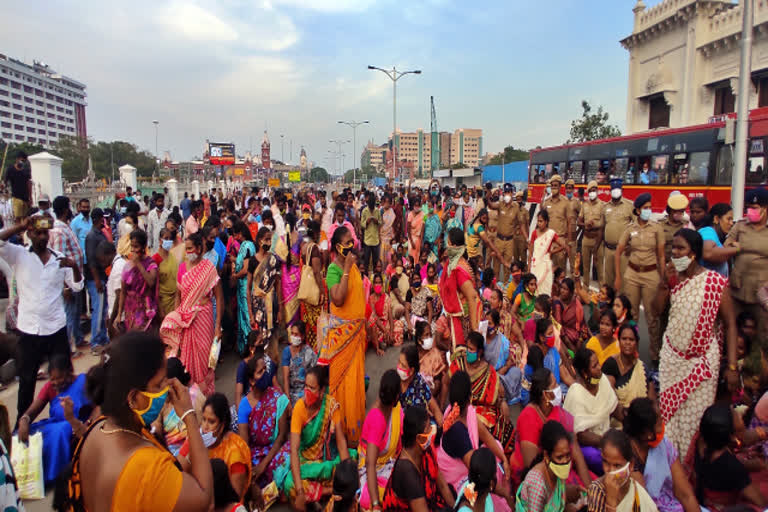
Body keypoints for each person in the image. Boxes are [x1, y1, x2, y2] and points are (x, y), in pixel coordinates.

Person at [67, 332, 213, 512]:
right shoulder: (146, 467)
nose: (167, 389)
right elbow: (204, 497)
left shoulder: (98, 428)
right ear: (134, 399)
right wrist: (189, 416)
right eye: (159, 384)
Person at [656, 228, 738, 461]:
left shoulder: (714, 283)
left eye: (681, 248)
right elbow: (655, 310)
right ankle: (671, 471)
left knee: (694, 423)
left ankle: (691, 473)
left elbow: (731, 324)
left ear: (694, 253)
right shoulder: (672, 279)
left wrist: (731, 367)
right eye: (674, 248)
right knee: (669, 421)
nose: (676, 253)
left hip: (702, 365)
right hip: (673, 360)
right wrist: (663, 284)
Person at [0, 216, 82, 424]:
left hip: (56, 327)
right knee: (27, 380)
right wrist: (19, 225)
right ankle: (23, 424)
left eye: (45, 233)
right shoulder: (18, 255)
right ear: (29, 234)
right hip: (29, 330)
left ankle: (67, 418)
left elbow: (77, 286)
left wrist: (73, 267)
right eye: (38, 233)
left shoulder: (59, 258)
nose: (43, 237)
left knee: (64, 376)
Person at [279, 366, 354, 510]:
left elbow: (341, 443)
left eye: (312, 388)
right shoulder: (299, 409)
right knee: (290, 484)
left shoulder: (331, 405)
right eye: (305, 386)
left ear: (321, 391)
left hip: (325, 461)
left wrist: (347, 476)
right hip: (305, 464)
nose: (307, 391)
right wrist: (300, 491)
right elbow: (294, 451)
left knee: (352, 458)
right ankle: (329, 491)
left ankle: (316, 495)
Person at [437, 371, 514, 511]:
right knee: (489, 468)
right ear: (469, 397)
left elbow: (485, 434)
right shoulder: (457, 430)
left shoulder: (462, 410)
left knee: (496, 447)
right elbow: (478, 469)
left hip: (468, 462)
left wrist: (504, 459)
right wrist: (504, 493)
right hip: (457, 477)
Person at [319, 226, 366, 446]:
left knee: (355, 381)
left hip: (356, 335)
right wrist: (347, 268)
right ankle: (339, 432)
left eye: (352, 241)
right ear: (337, 248)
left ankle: (354, 429)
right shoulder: (333, 270)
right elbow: (338, 299)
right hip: (341, 338)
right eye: (347, 243)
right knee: (342, 383)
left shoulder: (354, 265)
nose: (351, 245)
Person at [160, 231, 223, 395]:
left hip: (204, 318)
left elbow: (219, 297)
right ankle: (191, 396)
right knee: (185, 359)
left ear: (199, 249)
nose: (188, 252)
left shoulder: (208, 268)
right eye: (186, 249)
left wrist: (217, 326)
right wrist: (175, 318)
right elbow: (178, 297)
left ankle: (205, 394)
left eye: (191, 249)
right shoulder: (182, 269)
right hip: (185, 320)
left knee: (204, 358)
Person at [17, 355, 96, 485]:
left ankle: (56, 474)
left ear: (69, 372)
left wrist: (87, 425)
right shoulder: (50, 387)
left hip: (77, 427)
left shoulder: (83, 382)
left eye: (58, 378)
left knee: (63, 429)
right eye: (52, 379)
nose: (55, 382)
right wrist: (24, 420)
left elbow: (97, 407)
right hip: (56, 425)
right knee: (25, 434)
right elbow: (32, 411)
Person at [510, 368, 591, 487]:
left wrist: (589, 488)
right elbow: (531, 467)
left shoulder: (558, 412)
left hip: (561, 465)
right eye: (555, 385)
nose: (559, 387)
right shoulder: (528, 418)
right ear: (545, 394)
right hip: (540, 477)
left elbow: (575, 449)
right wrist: (563, 493)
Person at [614, 193, 665, 366]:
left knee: (652, 316)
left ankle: (655, 354)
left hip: (651, 274)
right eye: (645, 208)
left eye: (650, 208)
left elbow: (661, 255)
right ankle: (631, 351)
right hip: (632, 274)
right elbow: (619, 251)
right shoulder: (630, 229)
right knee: (632, 314)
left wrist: (663, 278)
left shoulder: (656, 228)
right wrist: (619, 277)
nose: (648, 211)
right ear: (637, 209)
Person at [623, 398, 699, 512]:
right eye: (659, 423)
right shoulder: (627, 456)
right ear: (647, 434)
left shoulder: (664, 445)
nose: (662, 426)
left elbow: (685, 494)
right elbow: (644, 505)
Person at [693, 404, 767, 511]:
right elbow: (760, 502)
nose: (739, 415)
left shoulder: (701, 443)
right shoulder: (731, 466)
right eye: (735, 415)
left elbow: (744, 438)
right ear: (731, 436)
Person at [179, 393, 251, 500]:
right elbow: (178, 471)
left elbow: (235, 497)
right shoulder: (194, 439)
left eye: (211, 422)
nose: (205, 427)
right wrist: (194, 449)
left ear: (222, 426)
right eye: (204, 420)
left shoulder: (234, 452)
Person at [382, 406, 455, 511]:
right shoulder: (406, 470)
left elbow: (442, 485)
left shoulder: (426, 449)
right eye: (428, 427)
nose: (432, 429)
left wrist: (456, 509)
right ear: (419, 438)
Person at [564, 347, 618, 475]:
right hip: (587, 446)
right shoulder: (576, 392)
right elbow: (581, 435)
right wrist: (606, 442)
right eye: (594, 366)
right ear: (584, 372)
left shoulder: (602, 379)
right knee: (602, 459)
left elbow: (614, 407)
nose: (599, 367)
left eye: (598, 363)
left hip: (605, 437)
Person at [725, 188, 768, 343]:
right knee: (734, 330)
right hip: (738, 289)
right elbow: (727, 245)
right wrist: (736, 247)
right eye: (748, 207)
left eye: (755, 208)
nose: (750, 211)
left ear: (765, 209)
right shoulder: (741, 226)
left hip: (761, 293)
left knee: (761, 335)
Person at [359, 370, 403, 510]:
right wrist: (376, 503)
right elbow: (370, 464)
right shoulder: (377, 419)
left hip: (389, 464)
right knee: (385, 497)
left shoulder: (396, 411)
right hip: (371, 470)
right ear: (396, 397)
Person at [586, 429, 659, 512]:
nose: (610, 471)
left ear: (630, 465)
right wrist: (611, 502)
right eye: (605, 462)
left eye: (617, 465)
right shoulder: (597, 491)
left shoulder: (635, 489)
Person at [439, 227, 480, 369]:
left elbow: (472, 297)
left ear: (455, 246)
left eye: (449, 243)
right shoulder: (454, 263)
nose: (447, 247)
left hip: (464, 319)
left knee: (462, 355)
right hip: (456, 316)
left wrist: (474, 329)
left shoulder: (459, 268)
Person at [49, 195, 85, 351]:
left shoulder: (65, 226)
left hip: (75, 279)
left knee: (75, 312)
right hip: (68, 281)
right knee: (69, 314)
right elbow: (59, 260)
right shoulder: (58, 231)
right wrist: (65, 287)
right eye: (69, 207)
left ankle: (78, 339)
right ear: (65, 210)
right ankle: (69, 348)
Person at [514, 420, 574, 512]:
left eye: (567, 455)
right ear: (546, 455)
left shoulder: (557, 472)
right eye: (559, 457)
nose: (565, 461)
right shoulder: (537, 484)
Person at [602, 324, 655, 419]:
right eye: (624, 339)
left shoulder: (642, 368)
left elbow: (652, 402)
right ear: (619, 341)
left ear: (636, 343)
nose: (627, 343)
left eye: (631, 340)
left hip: (642, 420)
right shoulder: (610, 365)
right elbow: (610, 402)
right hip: (619, 420)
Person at [116, 229, 159, 332]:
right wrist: (119, 315)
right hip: (131, 310)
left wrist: (138, 264)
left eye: (136, 247)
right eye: (132, 246)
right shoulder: (127, 266)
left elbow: (151, 282)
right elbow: (123, 292)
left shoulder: (150, 264)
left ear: (143, 247)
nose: (133, 250)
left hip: (146, 309)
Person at [247, 227, 280, 348]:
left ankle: (271, 362)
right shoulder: (252, 261)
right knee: (260, 336)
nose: (269, 242)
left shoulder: (273, 260)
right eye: (266, 239)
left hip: (272, 302)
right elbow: (248, 287)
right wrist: (250, 313)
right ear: (259, 240)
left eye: (270, 239)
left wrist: (280, 309)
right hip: (258, 304)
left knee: (272, 338)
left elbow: (277, 284)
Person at [397, 344, 444, 424]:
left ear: (411, 371)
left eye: (403, 365)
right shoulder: (395, 380)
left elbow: (434, 408)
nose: (399, 367)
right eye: (399, 362)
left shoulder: (419, 383)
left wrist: (443, 427)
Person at [689, 197, 734, 278]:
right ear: (716, 219)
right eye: (728, 219)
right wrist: (736, 249)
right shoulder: (708, 231)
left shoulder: (715, 235)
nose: (731, 223)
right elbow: (708, 254)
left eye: (732, 220)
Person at [603, 179, 634, 291]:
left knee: (621, 279)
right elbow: (603, 227)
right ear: (610, 191)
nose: (615, 192)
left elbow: (637, 226)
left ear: (621, 190)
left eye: (618, 189)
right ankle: (609, 306)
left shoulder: (629, 206)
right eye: (613, 189)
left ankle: (620, 305)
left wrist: (632, 244)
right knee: (609, 280)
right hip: (608, 249)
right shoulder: (605, 207)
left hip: (623, 250)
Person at [85, 208, 110, 348]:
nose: (104, 220)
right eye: (102, 218)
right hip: (96, 278)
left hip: (102, 276)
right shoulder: (91, 236)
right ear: (96, 219)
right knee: (98, 309)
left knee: (103, 308)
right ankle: (95, 341)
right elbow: (91, 260)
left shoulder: (100, 234)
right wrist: (96, 280)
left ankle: (102, 337)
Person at [529, 210, 569, 297]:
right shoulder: (534, 233)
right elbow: (531, 252)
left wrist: (551, 252)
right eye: (538, 221)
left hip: (545, 265)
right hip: (535, 265)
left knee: (545, 289)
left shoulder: (551, 234)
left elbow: (563, 245)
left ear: (546, 222)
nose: (539, 223)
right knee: (533, 287)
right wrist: (529, 267)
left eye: (541, 221)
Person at [299, 220, 325, 352]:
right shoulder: (313, 248)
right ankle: (317, 351)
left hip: (306, 289)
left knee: (309, 322)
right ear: (315, 233)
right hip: (314, 288)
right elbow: (316, 271)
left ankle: (309, 348)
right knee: (316, 322)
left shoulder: (304, 246)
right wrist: (322, 291)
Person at [232, 221, 256, 354]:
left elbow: (246, 269)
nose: (235, 238)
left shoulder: (247, 245)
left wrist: (235, 276)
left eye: (236, 235)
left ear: (240, 233)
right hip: (243, 286)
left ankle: (250, 347)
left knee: (247, 316)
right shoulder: (246, 245)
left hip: (245, 286)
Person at [281, 321, 318, 405]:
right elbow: (285, 378)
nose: (293, 337)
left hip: (305, 391)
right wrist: (288, 400)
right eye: (292, 334)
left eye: (296, 334)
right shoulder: (287, 351)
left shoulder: (309, 352)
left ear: (303, 336)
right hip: (290, 392)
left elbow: (315, 374)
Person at [540, 175, 570, 273]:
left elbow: (569, 222)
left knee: (560, 272)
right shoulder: (547, 201)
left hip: (560, 241)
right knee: (547, 271)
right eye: (552, 185)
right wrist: (543, 196)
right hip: (548, 241)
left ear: (560, 186)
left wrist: (567, 243)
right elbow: (541, 216)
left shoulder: (565, 202)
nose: (553, 188)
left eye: (556, 185)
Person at [579, 180, 605, 286]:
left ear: (597, 191)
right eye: (590, 191)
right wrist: (585, 225)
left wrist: (596, 248)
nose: (592, 192)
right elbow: (579, 221)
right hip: (586, 239)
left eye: (594, 190)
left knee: (599, 268)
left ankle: (602, 292)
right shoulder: (584, 205)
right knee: (585, 267)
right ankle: (585, 288)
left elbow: (603, 227)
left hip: (597, 240)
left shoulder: (602, 205)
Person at [553, 278, 585, 353]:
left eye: (565, 289)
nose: (562, 291)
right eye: (561, 288)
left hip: (577, 335)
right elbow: (559, 326)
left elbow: (582, 322)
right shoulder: (558, 303)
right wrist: (570, 345)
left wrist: (580, 338)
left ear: (571, 292)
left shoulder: (576, 302)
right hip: (564, 337)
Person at [156, 227, 180, 319]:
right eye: (166, 238)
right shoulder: (156, 259)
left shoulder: (173, 257)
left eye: (170, 239)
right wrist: (160, 309)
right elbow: (155, 287)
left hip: (175, 302)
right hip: (163, 303)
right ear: (160, 240)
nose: (168, 241)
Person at [369, 273, 395, 353]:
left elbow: (390, 316)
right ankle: (383, 341)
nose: (378, 284)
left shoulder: (386, 297)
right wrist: (385, 331)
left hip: (386, 323)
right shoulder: (371, 298)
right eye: (376, 282)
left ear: (382, 284)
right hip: (378, 325)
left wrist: (391, 332)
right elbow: (375, 317)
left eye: (379, 282)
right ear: (373, 284)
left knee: (399, 325)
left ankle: (386, 340)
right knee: (373, 329)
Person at [4, 151, 30, 219]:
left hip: (26, 199)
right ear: (17, 159)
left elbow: (28, 183)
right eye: (21, 160)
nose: (22, 162)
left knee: (25, 219)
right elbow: (5, 182)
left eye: (24, 161)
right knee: (18, 218)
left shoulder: (26, 170)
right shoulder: (10, 169)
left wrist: (30, 197)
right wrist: (4, 190)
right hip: (16, 197)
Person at [361, 192, 382, 273]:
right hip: (367, 240)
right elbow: (361, 224)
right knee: (366, 260)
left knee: (375, 261)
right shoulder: (364, 211)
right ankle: (365, 275)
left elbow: (381, 222)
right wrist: (367, 222)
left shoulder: (377, 211)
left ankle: (375, 277)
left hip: (376, 240)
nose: (372, 208)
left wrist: (377, 221)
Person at [406, 194, 425, 262]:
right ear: (413, 206)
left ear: (420, 206)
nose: (417, 207)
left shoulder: (424, 215)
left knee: (417, 256)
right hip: (411, 238)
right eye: (415, 205)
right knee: (411, 257)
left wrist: (421, 241)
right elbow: (408, 229)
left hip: (419, 239)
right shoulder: (410, 214)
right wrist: (411, 242)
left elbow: (423, 229)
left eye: (418, 205)